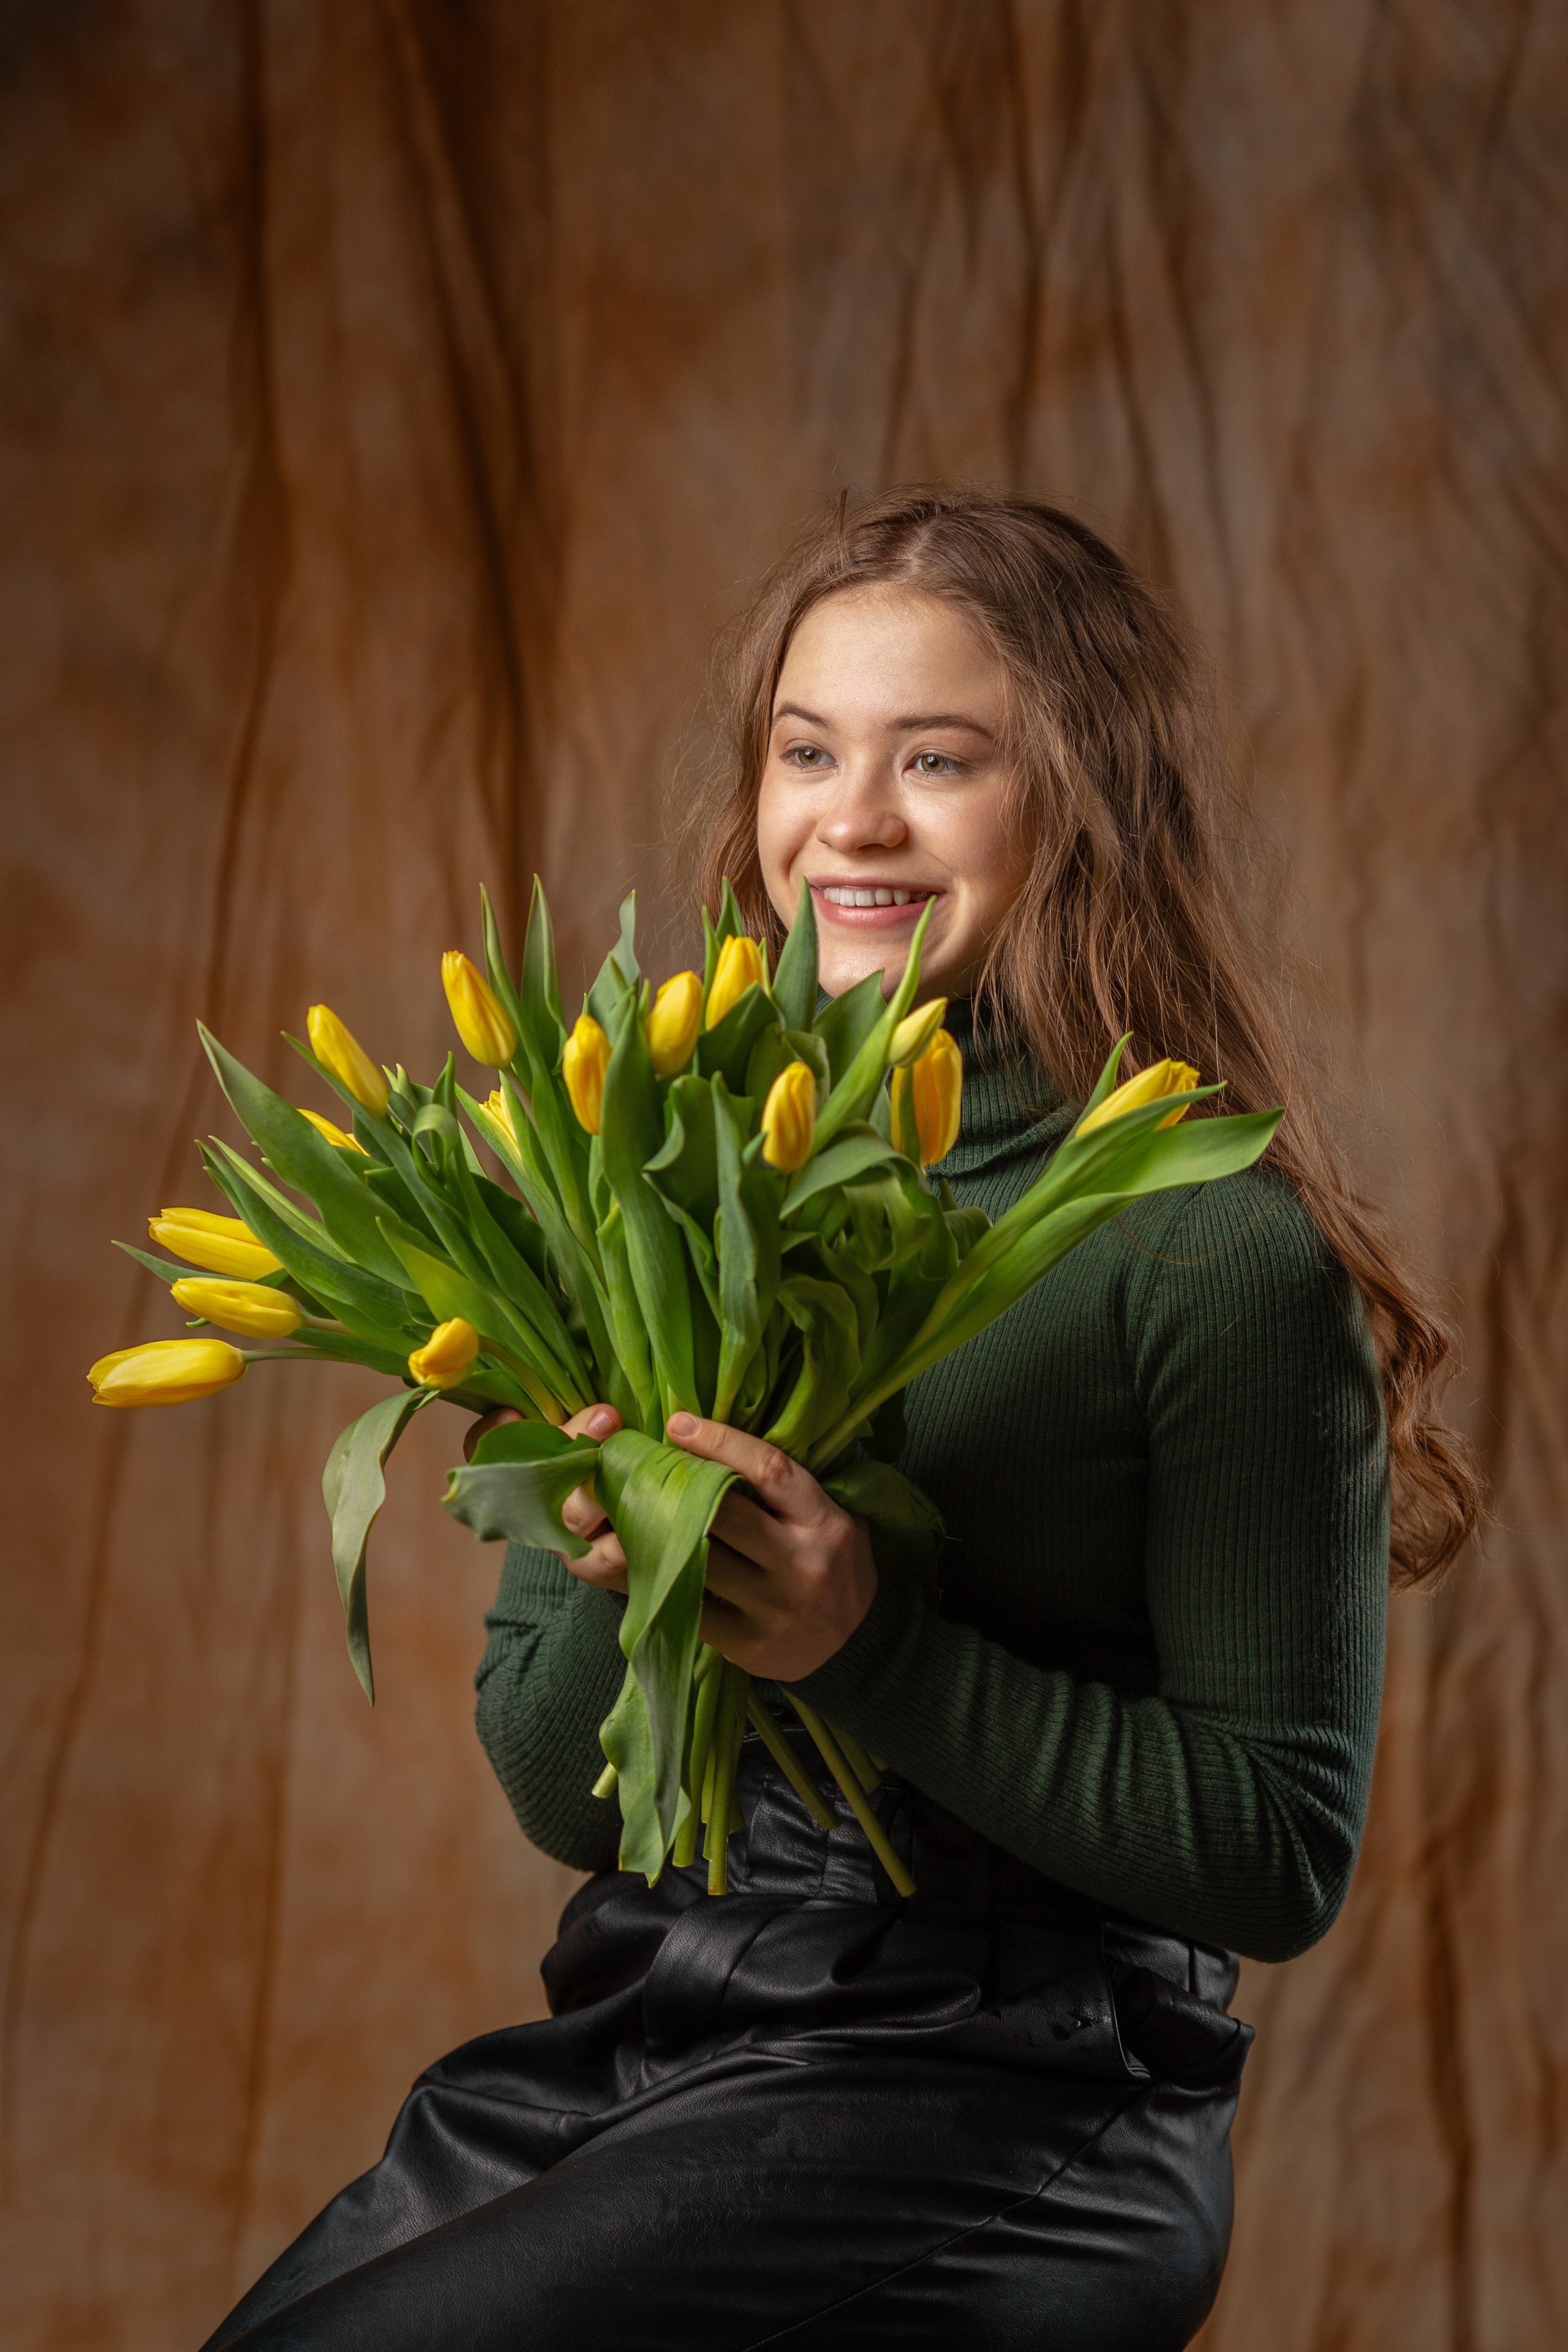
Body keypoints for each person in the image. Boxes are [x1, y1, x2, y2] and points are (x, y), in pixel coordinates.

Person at [204, 489, 1480, 2350]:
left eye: (939, 758)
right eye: (810, 752)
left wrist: (862, 1644)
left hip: (1010, 2088)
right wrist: (622, 1561)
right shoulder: (648, 1182)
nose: (853, 820)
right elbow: (571, 1793)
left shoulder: (1205, 1249)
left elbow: (1277, 1854)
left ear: (1082, 806)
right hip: (657, 2021)